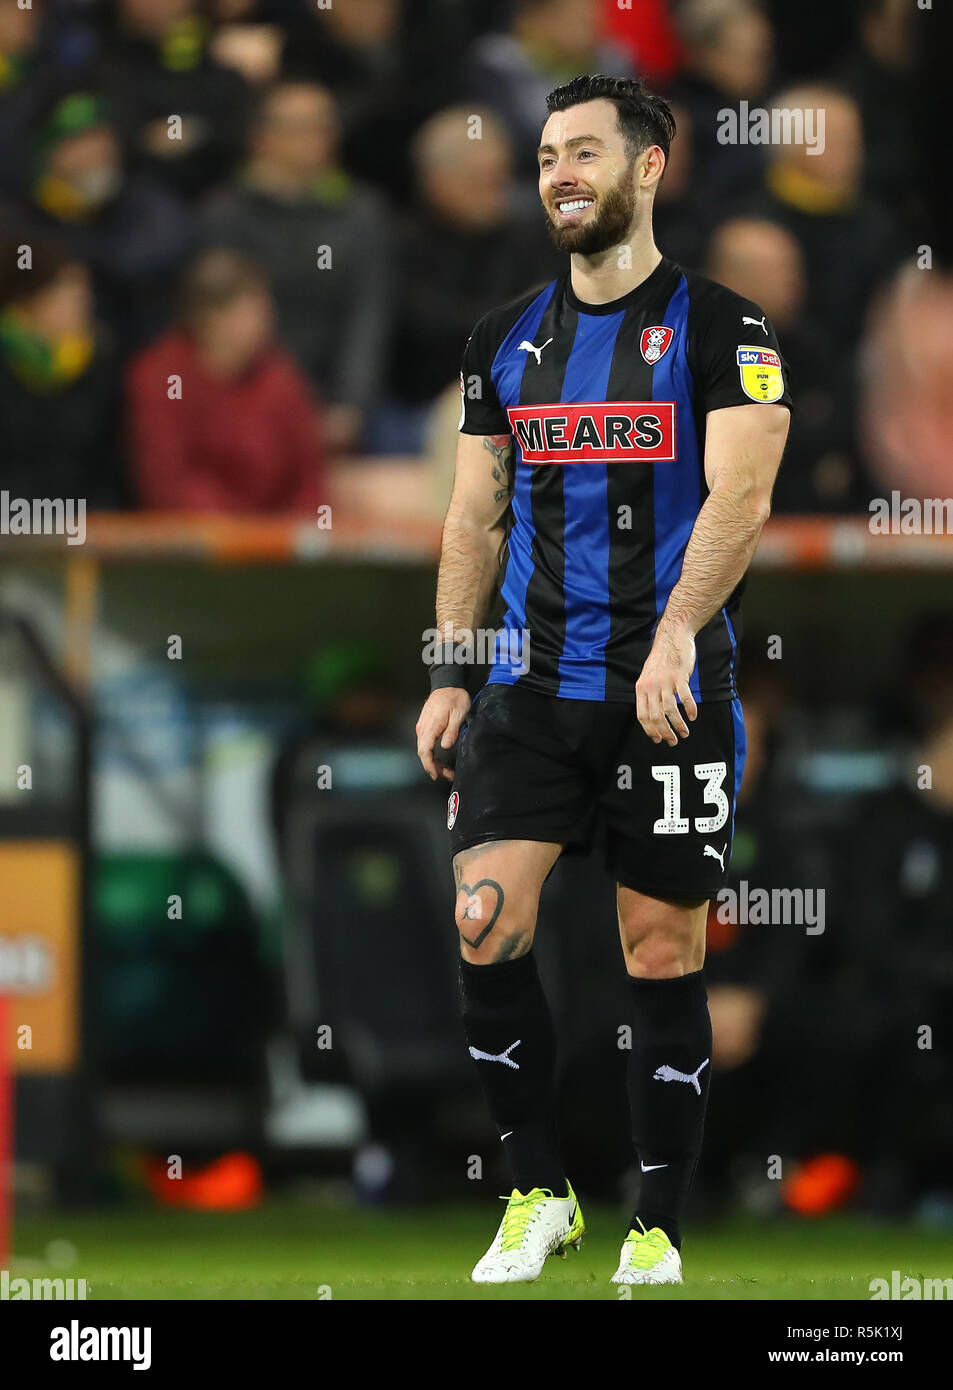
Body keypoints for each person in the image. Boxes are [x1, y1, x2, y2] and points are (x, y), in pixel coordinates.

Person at [414, 74, 791, 1286]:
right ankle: (535, 1190)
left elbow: (739, 495)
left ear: (646, 169)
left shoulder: (726, 332)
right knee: (483, 921)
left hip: (668, 690)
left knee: (660, 949)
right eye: (542, 158)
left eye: (582, 152)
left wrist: (681, 628)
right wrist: (448, 669)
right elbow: (472, 517)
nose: (558, 174)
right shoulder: (502, 341)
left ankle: (658, 1221)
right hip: (528, 688)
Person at [199, 79, 391, 452]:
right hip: (248, 398)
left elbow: (368, 313)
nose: (317, 139)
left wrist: (350, 403)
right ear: (262, 137)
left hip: (338, 401)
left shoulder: (361, 215)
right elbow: (221, 322)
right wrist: (271, 406)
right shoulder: (225, 216)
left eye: (323, 126)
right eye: (299, 128)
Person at [126, 247, 326, 512]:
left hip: (276, 538)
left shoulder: (280, 376)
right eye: (249, 310)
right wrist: (237, 534)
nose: (265, 319)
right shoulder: (161, 377)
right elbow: (166, 479)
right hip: (195, 539)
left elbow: (309, 474)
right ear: (209, 319)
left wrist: (297, 530)